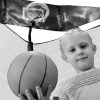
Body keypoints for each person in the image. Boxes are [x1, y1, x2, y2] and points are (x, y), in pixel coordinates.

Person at [19, 27, 100, 100]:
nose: (79, 52)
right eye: (72, 50)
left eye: (83, 46)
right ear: (65, 58)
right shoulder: (64, 89)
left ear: (93, 49)